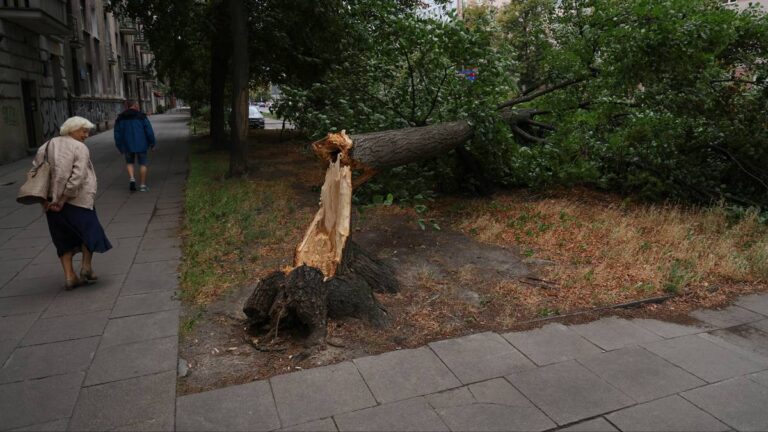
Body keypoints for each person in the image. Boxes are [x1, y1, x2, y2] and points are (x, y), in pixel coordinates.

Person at [33, 116, 113, 290]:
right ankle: (86, 268)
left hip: (51, 203)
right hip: (78, 201)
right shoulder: (80, 148)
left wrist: (45, 201)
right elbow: (77, 178)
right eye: (83, 131)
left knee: (62, 239)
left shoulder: (45, 147)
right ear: (71, 130)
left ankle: (69, 276)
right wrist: (63, 199)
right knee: (88, 233)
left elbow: (36, 175)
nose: (86, 135)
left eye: (87, 132)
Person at [114, 100, 156, 192]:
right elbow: (149, 131)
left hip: (127, 145)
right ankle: (142, 185)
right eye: (137, 104)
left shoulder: (120, 118)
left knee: (129, 163)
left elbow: (117, 133)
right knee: (143, 164)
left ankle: (132, 179)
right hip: (141, 144)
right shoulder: (141, 116)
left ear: (127, 106)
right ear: (135, 105)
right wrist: (152, 143)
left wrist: (119, 145)